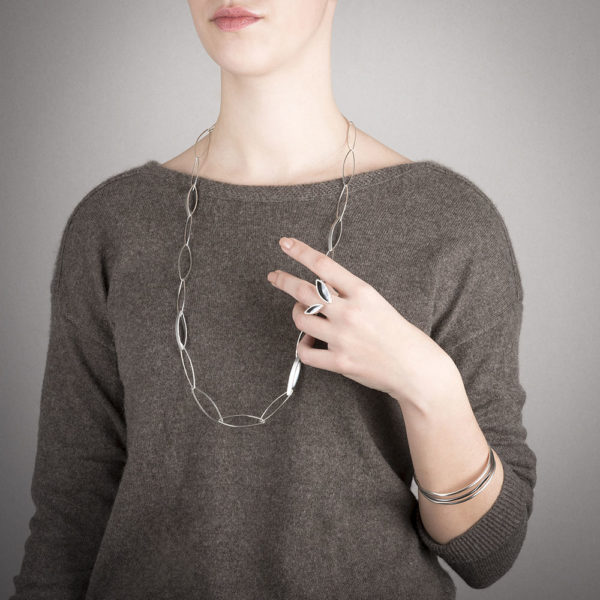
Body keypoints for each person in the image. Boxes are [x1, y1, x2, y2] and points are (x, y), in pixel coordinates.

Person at [11, 1, 537, 598]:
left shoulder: (450, 223)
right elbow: (68, 523)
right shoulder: (113, 224)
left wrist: (428, 385)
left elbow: (488, 550)